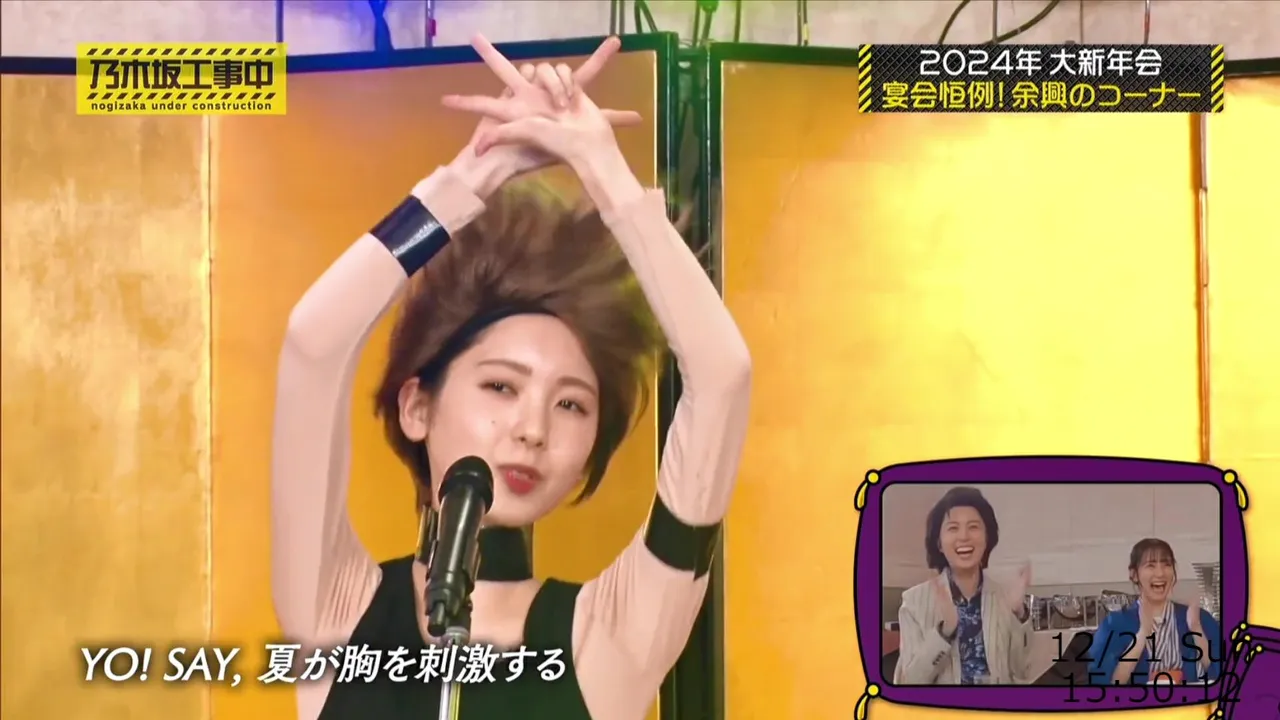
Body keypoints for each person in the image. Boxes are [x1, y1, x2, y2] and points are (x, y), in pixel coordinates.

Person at [269, 34, 751, 720]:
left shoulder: (607, 640)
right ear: (417, 407)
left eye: (572, 405)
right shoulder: (337, 610)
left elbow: (723, 376)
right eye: (501, 386)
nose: (532, 429)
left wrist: (603, 170)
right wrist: (477, 173)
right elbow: (312, 344)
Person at [895, 487, 1034, 685]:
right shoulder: (913, 602)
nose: (964, 537)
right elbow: (908, 682)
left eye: (973, 527)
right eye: (953, 528)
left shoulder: (1004, 598)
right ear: (939, 543)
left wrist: (1018, 614)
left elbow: (1022, 673)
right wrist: (944, 632)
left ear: (987, 538)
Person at [1086, 538, 1222, 685]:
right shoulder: (1114, 624)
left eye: (1167, 565)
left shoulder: (1200, 619)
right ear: (1134, 574)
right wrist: (1142, 634)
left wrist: (1196, 629)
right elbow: (1105, 683)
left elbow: (1223, 675)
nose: (1160, 573)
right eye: (1150, 565)